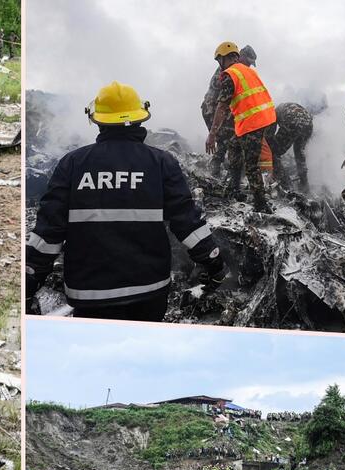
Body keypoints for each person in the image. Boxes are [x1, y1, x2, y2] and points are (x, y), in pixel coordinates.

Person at [25, 81, 227, 321]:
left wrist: (28, 281)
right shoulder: (161, 163)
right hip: (149, 293)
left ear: (98, 120)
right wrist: (214, 263)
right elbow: (188, 223)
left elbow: (48, 233)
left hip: (90, 296)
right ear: (140, 118)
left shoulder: (73, 164)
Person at [207, 41, 277, 213]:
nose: (219, 65)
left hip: (254, 121)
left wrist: (212, 134)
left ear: (224, 58)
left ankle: (261, 204)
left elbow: (222, 106)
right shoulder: (247, 71)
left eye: (219, 61)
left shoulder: (231, 74)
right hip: (260, 118)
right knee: (234, 146)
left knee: (251, 164)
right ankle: (235, 188)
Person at [267, 102, 314, 191]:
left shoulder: (273, 113)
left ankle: (286, 186)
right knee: (300, 152)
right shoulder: (287, 106)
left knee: (273, 153)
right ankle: (304, 184)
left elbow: (269, 135)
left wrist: (271, 149)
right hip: (309, 124)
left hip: (293, 121)